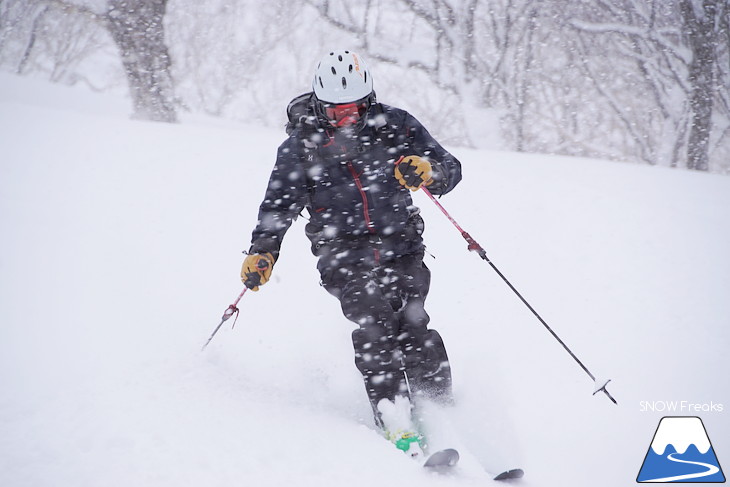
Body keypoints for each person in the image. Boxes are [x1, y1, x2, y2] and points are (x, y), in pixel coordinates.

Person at [241, 50, 462, 455]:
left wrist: (430, 170)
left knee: (414, 324)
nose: (348, 120)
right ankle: (396, 420)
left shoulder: (395, 125)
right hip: (342, 252)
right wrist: (263, 252)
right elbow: (278, 207)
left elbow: (448, 165)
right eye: (337, 112)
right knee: (375, 323)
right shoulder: (300, 148)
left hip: (402, 246)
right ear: (320, 105)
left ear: (369, 100)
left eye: (356, 110)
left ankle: (441, 410)